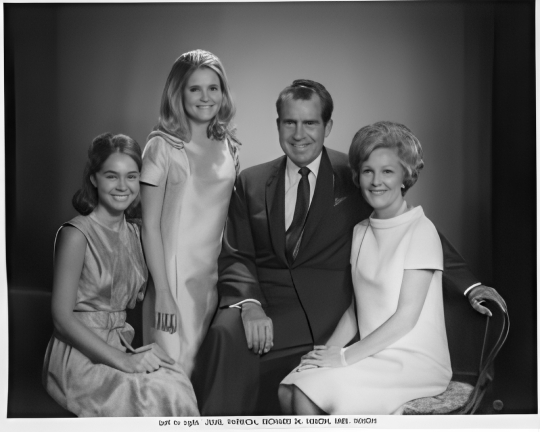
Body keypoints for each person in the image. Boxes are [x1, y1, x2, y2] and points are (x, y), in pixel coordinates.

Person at [191, 79, 507, 416]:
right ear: (278, 124)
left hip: (331, 311)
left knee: (308, 392)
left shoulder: (353, 173)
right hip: (272, 306)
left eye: (310, 122)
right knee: (226, 336)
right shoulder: (252, 181)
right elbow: (237, 253)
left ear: (328, 126)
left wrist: (470, 285)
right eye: (290, 122)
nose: (299, 134)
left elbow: (411, 231)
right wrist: (249, 304)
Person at [279, 121, 452, 414]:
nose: (376, 181)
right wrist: (325, 353)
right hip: (374, 353)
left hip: (413, 360)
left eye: (387, 171)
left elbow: (405, 319)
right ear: (358, 176)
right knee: (290, 388)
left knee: (306, 395)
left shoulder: (421, 230)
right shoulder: (361, 231)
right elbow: (355, 310)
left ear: (405, 176)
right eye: (368, 171)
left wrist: (344, 358)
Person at [42, 133, 199, 417]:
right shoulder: (76, 234)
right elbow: (61, 319)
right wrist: (122, 362)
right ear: (94, 179)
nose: (123, 186)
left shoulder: (138, 234)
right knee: (156, 396)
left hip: (122, 345)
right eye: (112, 176)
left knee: (177, 382)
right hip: (78, 356)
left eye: (131, 177)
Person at [140, 49, 239, 378]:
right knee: (170, 380)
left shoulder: (228, 145)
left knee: (200, 380)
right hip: (173, 283)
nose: (206, 97)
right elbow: (149, 227)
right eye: (195, 88)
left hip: (210, 282)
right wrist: (164, 294)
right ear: (177, 92)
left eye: (214, 87)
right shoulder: (161, 147)